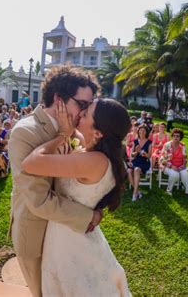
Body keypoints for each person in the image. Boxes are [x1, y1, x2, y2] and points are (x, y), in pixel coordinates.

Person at [8, 65, 103, 297]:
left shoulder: (74, 132)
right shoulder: (25, 133)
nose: (84, 112)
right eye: (81, 104)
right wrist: (88, 217)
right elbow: (39, 201)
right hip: (36, 236)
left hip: (66, 235)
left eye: (88, 106)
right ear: (59, 99)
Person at [21, 98, 131, 296]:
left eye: (86, 113)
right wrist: (70, 131)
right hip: (74, 231)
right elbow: (78, 141)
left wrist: (62, 134)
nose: (80, 113)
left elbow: (30, 163)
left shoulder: (93, 161)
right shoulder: (95, 154)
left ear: (98, 133)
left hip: (70, 242)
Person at [160, 128, 188, 199]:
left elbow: (185, 157)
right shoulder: (167, 145)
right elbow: (163, 159)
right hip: (168, 166)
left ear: (180, 137)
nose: (175, 137)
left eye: (177, 136)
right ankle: (169, 190)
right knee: (175, 174)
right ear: (172, 136)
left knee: (185, 174)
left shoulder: (183, 146)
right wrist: (171, 166)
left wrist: (184, 165)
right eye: (174, 135)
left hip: (180, 166)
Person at [127, 125, 152, 202]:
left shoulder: (149, 142)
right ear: (138, 131)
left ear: (146, 132)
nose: (142, 132)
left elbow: (149, 156)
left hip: (144, 162)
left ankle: (134, 193)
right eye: (140, 130)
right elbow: (132, 155)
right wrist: (137, 152)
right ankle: (138, 191)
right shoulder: (135, 141)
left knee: (137, 169)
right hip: (136, 160)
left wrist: (145, 154)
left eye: (144, 130)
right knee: (128, 171)